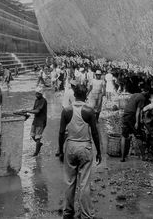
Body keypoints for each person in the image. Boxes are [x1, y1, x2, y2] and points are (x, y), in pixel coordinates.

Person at [58, 84, 102, 219]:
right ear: (85, 96)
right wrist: (99, 151)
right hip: (85, 147)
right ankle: (86, 214)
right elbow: (95, 133)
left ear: (74, 95)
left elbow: (61, 133)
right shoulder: (89, 111)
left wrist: (61, 150)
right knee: (84, 183)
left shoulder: (66, 111)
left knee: (69, 181)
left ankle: (68, 212)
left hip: (70, 146)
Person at [120, 84, 151, 162]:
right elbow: (137, 111)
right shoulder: (142, 98)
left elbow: (129, 104)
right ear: (147, 92)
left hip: (125, 115)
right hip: (132, 116)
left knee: (124, 136)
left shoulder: (134, 95)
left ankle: (122, 157)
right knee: (138, 135)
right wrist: (137, 122)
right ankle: (144, 156)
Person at [25, 86, 47, 156]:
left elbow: (37, 111)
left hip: (41, 121)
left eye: (38, 94)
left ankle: (36, 153)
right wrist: (27, 114)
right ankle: (39, 144)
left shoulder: (43, 101)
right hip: (36, 120)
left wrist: (27, 111)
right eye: (36, 93)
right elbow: (33, 110)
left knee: (37, 137)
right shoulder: (36, 100)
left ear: (41, 94)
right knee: (32, 135)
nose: (36, 95)